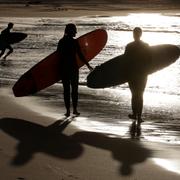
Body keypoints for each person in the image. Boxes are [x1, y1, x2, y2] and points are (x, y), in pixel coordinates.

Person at [57, 23, 93, 117]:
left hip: (64, 69)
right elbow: (80, 55)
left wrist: (58, 70)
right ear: (71, 31)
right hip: (73, 68)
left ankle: (68, 111)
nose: (76, 32)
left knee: (66, 90)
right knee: (74, 90)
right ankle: (75, 110)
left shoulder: (61, 42)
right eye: (74, 30)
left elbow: (58, 57)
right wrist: (87, 64)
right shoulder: (74, 42)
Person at [124, 27, 151, 124]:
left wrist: (124, 74)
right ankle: (139, 116)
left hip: (132, 74)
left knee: (134, 94)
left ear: (134, 35)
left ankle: (135, 114)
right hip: (143, 74)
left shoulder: (129, 46)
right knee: (140, 95)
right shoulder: (146, 46)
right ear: (141, 34)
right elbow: (149, 61)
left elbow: (125, 61)